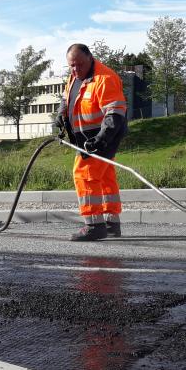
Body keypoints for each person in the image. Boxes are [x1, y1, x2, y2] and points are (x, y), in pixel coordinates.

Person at [54, 44, 128, 241]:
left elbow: (115, 113)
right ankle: (111, 223)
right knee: (104, 178)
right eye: (72, 66)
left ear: (90, 58)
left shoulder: (105, 78)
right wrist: (61, 115)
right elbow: (66, 98)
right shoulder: (74, 77)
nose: (76, 69)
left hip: (101, 137)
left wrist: (100, 140)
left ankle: (94, 225)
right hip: (85, 137)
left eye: (79, 64)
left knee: (84, 174)